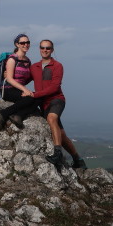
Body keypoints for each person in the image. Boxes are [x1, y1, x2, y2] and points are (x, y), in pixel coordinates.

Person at [30, 39, 86, 169]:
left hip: (57, 100)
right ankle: (78, 160)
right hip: (44, 104)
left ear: (52, 50)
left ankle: (57, 154)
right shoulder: (34, 67)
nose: (45, 50)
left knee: (51, 118)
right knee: (62, 134)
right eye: (42, 47)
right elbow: (24, 78)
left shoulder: (57, 66)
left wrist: (35, 95)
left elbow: (55, 87)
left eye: (48, 48)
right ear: (39, 49)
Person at [0, 34, 38, 130]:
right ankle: (3, 113)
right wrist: (25, 90)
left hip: (18, 89)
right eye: (23, 43)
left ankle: (18, 115)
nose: (25, 44)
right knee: (30, 99)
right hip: (8, 89)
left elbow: (25, 79)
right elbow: (10, 79)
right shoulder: (12, 59)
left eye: (28, 42)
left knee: (38, 98)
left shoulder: (27, 61)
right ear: (17, 44)